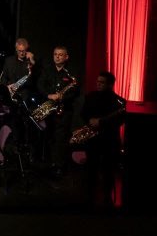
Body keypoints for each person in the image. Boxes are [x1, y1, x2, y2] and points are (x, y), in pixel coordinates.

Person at [80, 71, 125, 207]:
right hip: (92, 139)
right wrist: (90, 120)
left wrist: (101, 123)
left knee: (108, 170)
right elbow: (83, 113)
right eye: (98, 81)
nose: (98, 84)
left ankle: (107, 198)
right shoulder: (90, 96)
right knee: (91, 168)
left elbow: (120, 121)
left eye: (102, 82)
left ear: (110, 84)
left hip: (109, 140)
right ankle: (90, 196)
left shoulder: (119, 102)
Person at [37, 46, 79, 176]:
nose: (57, 57)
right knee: (49, 137)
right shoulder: (47, 70)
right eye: (55, 54)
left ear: (66, 57)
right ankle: (49, 163)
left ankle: (59, 165)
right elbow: (40, 85)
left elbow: (75, 91)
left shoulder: (71, 72)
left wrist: (63, 97)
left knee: (61, 139)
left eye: (61, 55)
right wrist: (49, 95)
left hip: (64, 110)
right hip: (50, 109)